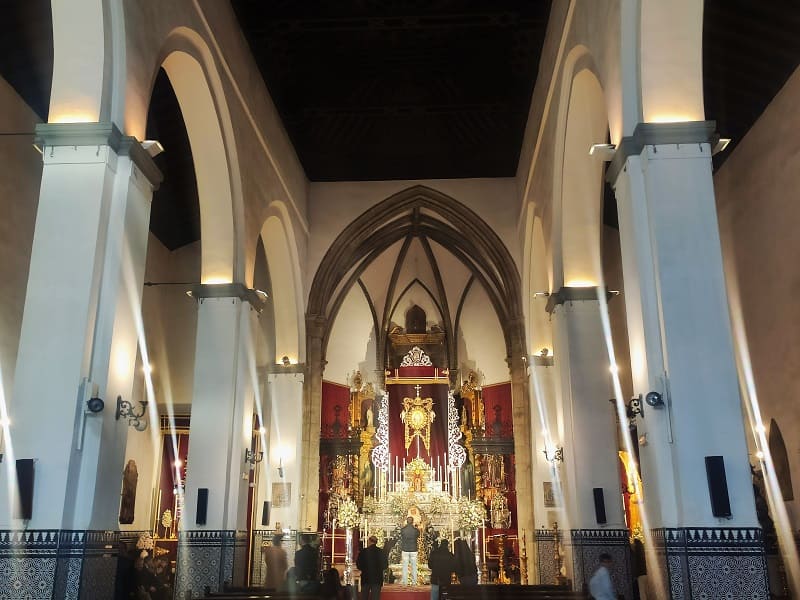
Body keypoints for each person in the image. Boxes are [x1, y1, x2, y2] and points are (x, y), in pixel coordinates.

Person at [357, 535, 388, 600]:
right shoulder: (381, 552)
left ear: (369, 542)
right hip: (377, 579)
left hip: (366, 578)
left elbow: (358, 565)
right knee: (375, 597)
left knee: (364, 597)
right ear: (376, 542)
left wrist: (364, 569)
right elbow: (385, 565)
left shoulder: (363, 552)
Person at [400, 516, 420, 585]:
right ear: (412, 521)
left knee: (405, 567)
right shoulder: (416, 530)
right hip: (413, 549)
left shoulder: (403, 529)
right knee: (414, 567)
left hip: (405, 549)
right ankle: (414, 582)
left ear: (406, 521)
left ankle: (405, 582)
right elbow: (418, 536)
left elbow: (402, 536)